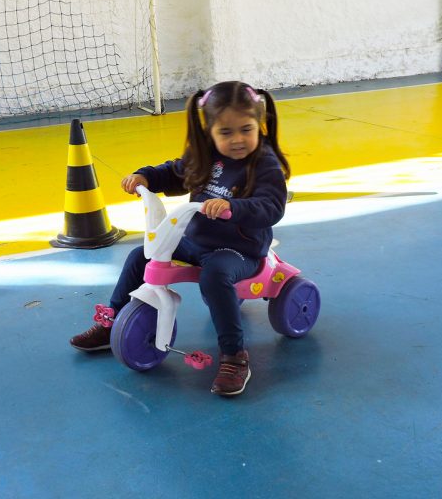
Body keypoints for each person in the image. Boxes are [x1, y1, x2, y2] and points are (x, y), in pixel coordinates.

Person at [70, 80, 290, 396]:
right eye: (226, 132)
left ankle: (234, 354)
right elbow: (175, 172)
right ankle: (113, 321)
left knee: (215, 275)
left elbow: (271, 206)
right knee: (140, 257)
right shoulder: (206, 155)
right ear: (210, 131)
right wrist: (146, 177)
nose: (238, 140)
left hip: (239, 249)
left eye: (246, 129)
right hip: (194, 242)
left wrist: (233, 207)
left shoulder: (264, 163)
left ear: (260, 124)